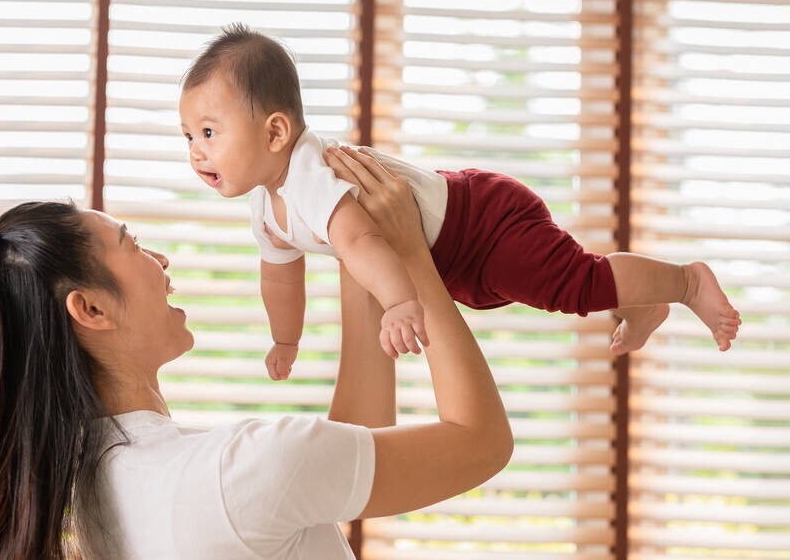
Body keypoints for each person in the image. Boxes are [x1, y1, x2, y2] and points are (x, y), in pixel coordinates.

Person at [0, 151, 513, 559]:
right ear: (91, 311)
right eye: (131, 245)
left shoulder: (89, 489)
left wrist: (356, 250)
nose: (159, 261)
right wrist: (411, 254)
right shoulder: (241, 468)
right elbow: (480, 442)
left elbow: (337, 456)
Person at [178, 24, 741, 379]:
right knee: (561, 287)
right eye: (187, 137)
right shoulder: (266, 207)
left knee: (570, 285)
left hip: (481, 223)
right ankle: (637, 304)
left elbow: (360, 240)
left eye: (209, 133)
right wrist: (286, 337)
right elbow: (280, 277)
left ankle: (686, 282)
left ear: (276, 133)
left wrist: (399, 303)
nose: (196, 152)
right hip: (451, 256)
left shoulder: (307, 174)